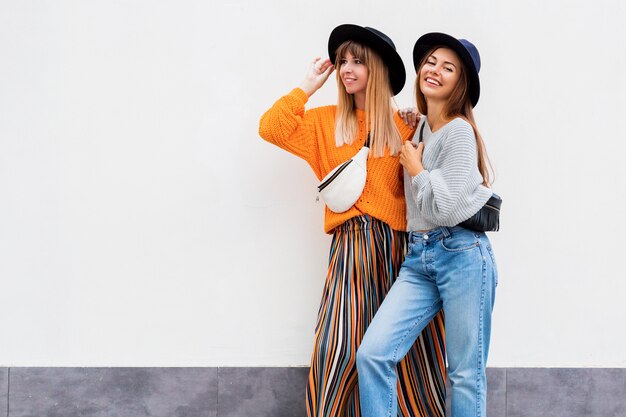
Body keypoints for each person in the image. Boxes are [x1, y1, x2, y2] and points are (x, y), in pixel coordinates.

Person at [259, 25, 447, 417]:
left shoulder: (405, 126)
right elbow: (271, 128)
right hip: (351, 248)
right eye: (343, 60)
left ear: (375, 70)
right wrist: (307, 86)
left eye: (357, 61)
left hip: (399, 253)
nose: (346, 68)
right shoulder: (327, 122)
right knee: (338, 346)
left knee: (408, 355)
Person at [356, 32, 498, 417]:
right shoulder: (419, 129)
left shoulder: (460, 132)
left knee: (466, 373)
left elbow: (447, 208)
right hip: (419, 258)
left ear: (460, 84)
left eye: (447, 68)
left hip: (463, 255)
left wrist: (417, 169)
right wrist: (410, 124)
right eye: (431, 62)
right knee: (373, 354)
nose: (434, 70)